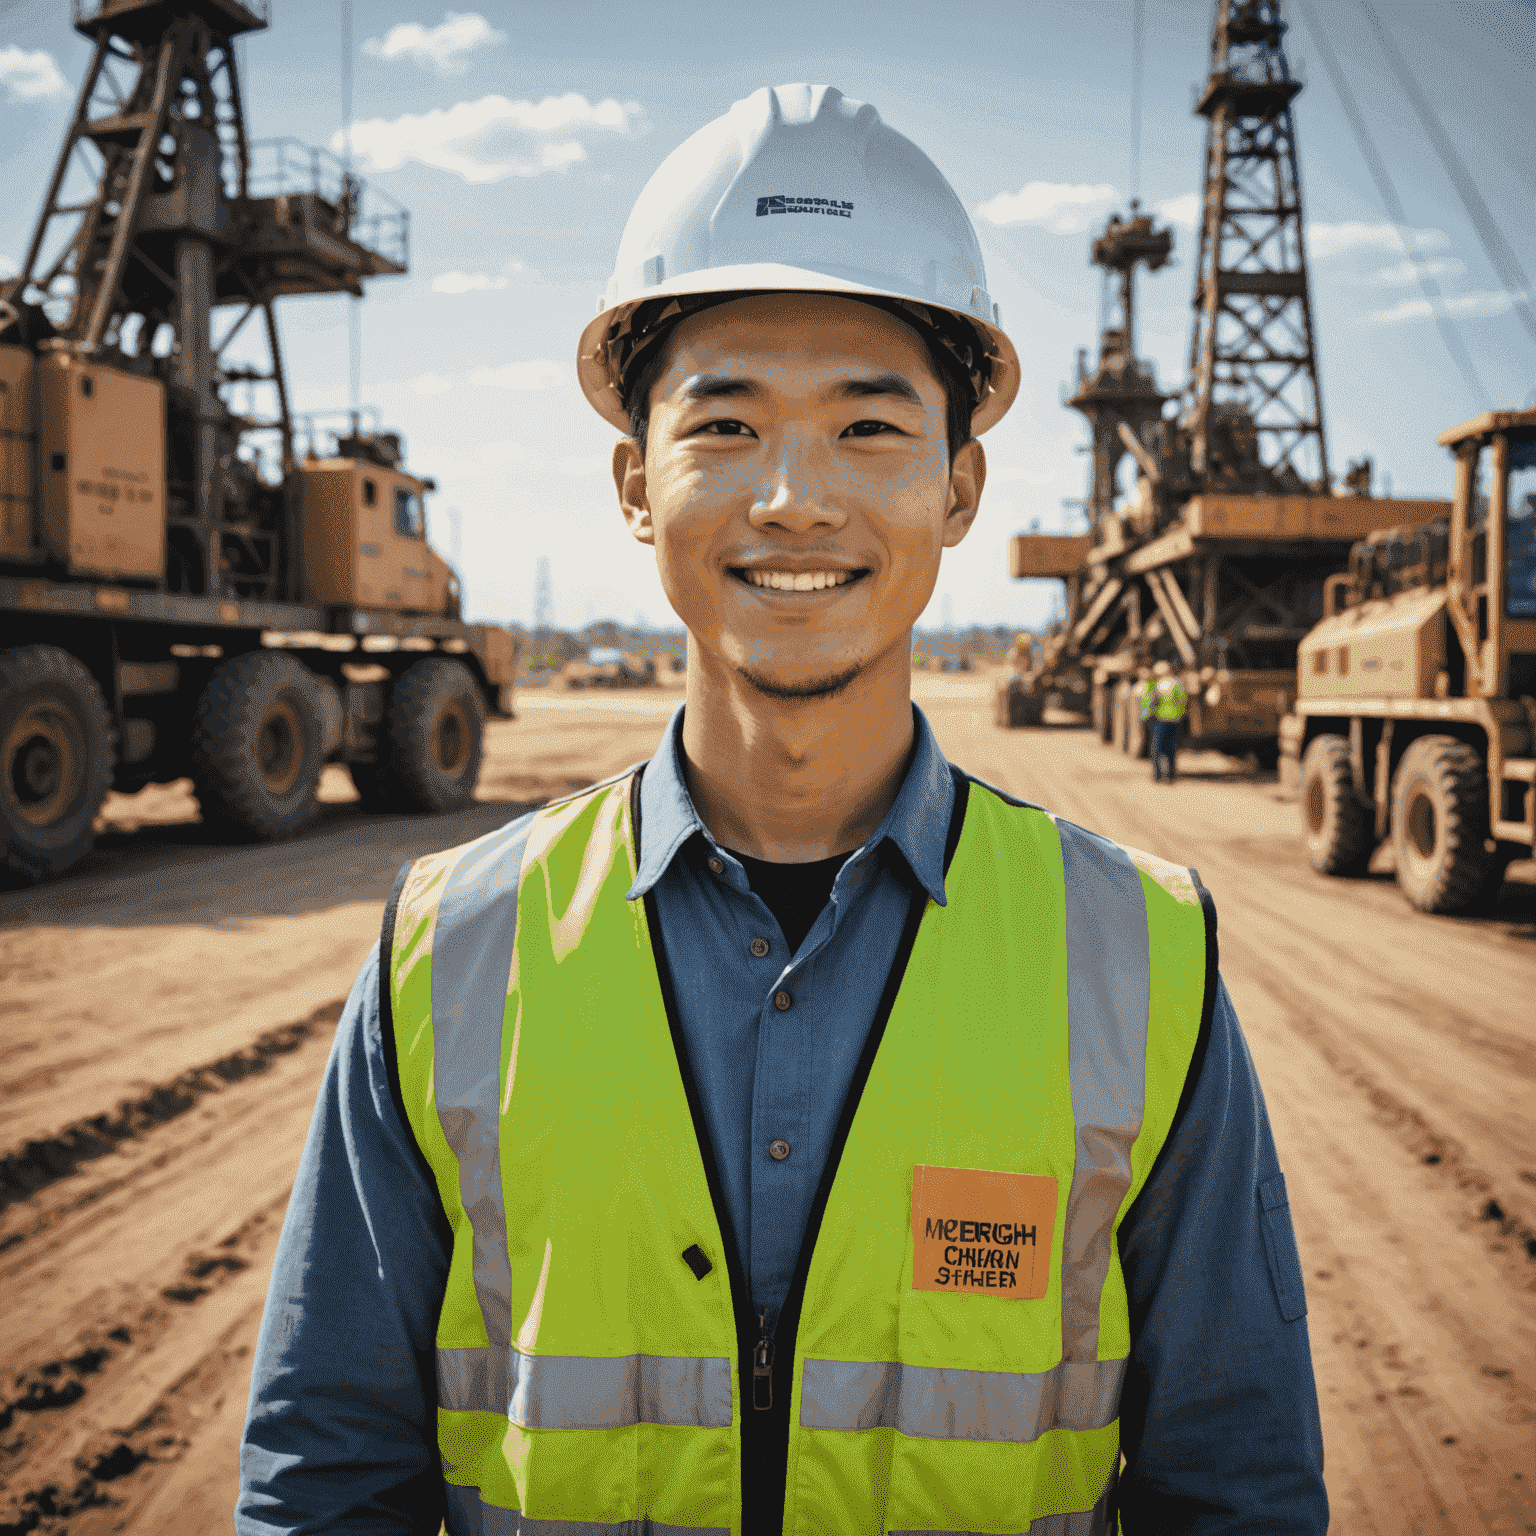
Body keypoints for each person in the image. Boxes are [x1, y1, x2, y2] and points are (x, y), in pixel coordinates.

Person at [237, 84, 1326, 1535]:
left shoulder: (1137, 958)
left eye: (871, 426)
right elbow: (326, 1473)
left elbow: (1236, 1485)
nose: (797, 497)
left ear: (959, 486)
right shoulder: (455, 950)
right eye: (727, 425)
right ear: (637, 483)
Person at [1150, 659, 1189, 784]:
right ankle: (1171, 775)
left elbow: (1154, 703)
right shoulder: (1179, 684)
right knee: (1170, 747)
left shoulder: (1160, 684)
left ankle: (1157, 775)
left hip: (1162, 719)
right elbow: (1184, 701)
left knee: (1157, 748)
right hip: (1176, 720)